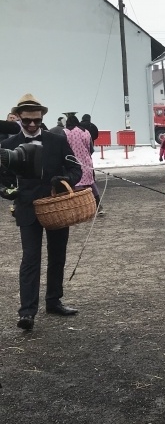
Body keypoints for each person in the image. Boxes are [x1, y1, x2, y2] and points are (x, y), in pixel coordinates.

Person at [1, 94, 82, 331]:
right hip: (27, 208)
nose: (32, 125)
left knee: (57, 255)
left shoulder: (57, 140)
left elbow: (76, 169)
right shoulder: (8, 145)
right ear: (19, 118)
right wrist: (6, 191)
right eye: (27, 120)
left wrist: (64, 179)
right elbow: (3, 178)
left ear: (42, 117)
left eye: (37, 120)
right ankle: (27, 312)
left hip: (56, 206)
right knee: (30, 259)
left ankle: (54, 301)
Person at [63, 113, 103, 215]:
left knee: (76, 185)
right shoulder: (85, 132)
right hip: (86, 162)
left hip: (72, 163)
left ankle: (82, 210)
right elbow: (91, 148)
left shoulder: (65, 132)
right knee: (91, 184)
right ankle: (99, 206)